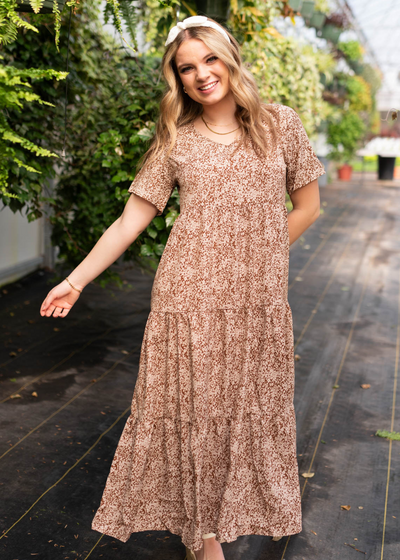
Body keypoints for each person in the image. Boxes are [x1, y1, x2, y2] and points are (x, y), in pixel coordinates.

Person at [40, 15, 325, 560]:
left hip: (255, 300)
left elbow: (308, 206)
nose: (201, 75)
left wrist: (258, 254)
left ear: (230, 57)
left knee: (244, 412)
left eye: (209, 60)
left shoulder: (280, 124)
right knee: (194, 414)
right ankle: (204, 537)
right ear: (177, 78)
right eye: (186, 68)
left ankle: (220, 522)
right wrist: (74, 281)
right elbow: (131, 220)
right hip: (187, 296)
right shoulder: (177, 139)